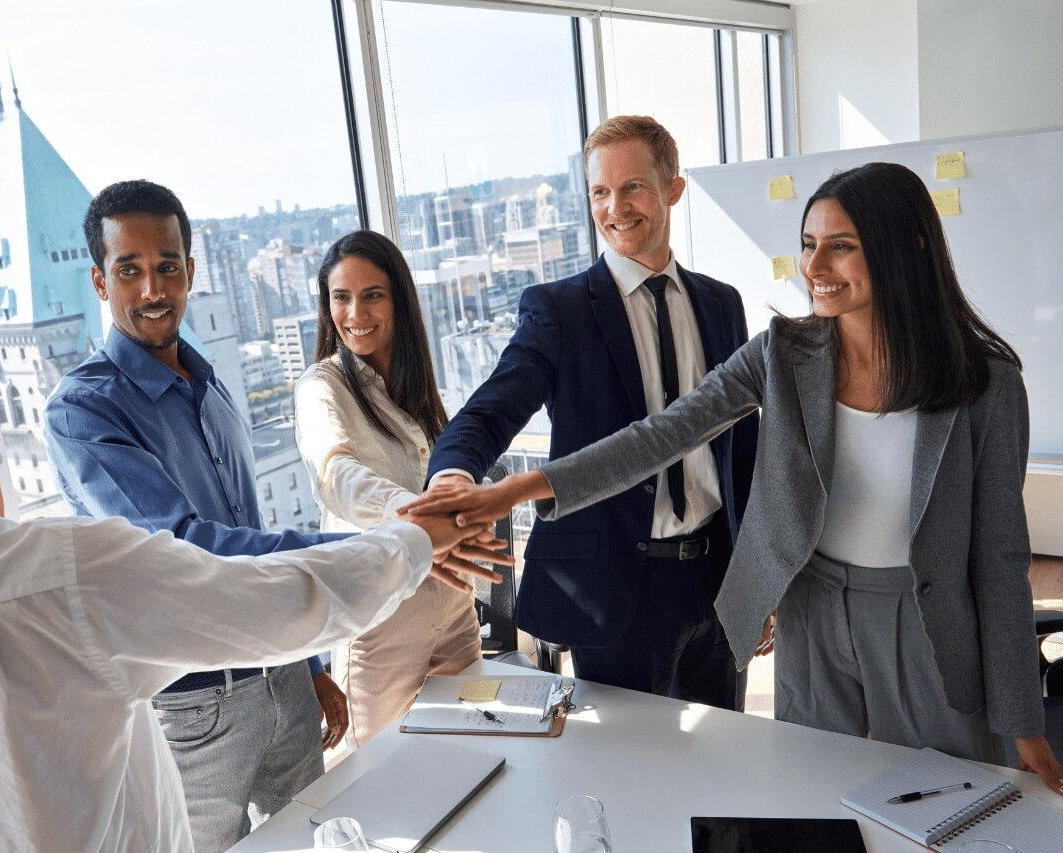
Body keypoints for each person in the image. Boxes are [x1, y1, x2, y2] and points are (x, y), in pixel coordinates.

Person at [0, 219, 509, 850]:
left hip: (278, 681)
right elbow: (278, 594)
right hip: (208, 692)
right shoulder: (53, 571)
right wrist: (417, 536)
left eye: (168, 265)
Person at [404, 162, 1063, 793]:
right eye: (808, 244)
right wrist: (512, 490)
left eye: (841, 247)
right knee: (813, 792)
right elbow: (660, 435)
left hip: (926, 616)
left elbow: (999, 560)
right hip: (814, 608)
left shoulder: (987, 384)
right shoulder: (785, 353)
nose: (814, 268)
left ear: (908, 248)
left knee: (946, 795)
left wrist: (1022, 720)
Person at [44, 180, 476, 851]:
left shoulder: (208, 383)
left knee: (319, 839)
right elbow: (184, 544)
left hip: (279, 675)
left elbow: (246, 523)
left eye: (167, 266)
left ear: (190, 271)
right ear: (100, 281)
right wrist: (392, 538)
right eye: (129, 270)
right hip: (194, 705)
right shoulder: (83, 409)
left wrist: (307, 665)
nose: (152, 288)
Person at [424, 115, 757, 707]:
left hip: (717, 576)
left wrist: (759, 573)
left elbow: (745, 449)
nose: (615, 208)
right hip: (616, 590)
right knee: (627, 775)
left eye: (632, 187)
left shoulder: (721, 304)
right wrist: (453, 475)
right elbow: (488, 414)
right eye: (600, 192)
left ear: (673, 189)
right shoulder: (560, 311)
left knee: (723, 757)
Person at [294, 230, 485, 746]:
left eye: (372, 294)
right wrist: (425, 519)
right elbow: (338, 479)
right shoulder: (321, 387)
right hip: (381, 617)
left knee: (471, 750)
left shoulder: (415, 387)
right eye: (341, 297)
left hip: (453, 607)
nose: (355, 312)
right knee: (384, 779)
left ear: (398, 298)